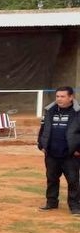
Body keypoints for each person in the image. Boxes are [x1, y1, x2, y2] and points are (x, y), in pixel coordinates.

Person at [37, 86, 80, 215]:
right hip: (51, 153)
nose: (59, 99)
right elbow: (43, 129)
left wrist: (78, 149)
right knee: (51, 179)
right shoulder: (50, 111)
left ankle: (75, 206)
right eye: (57, 96)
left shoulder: (78, 112)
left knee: (73, 181)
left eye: (62, 96)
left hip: (71, 155)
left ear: (71, 97)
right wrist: (41, 145)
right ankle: (51, 202)